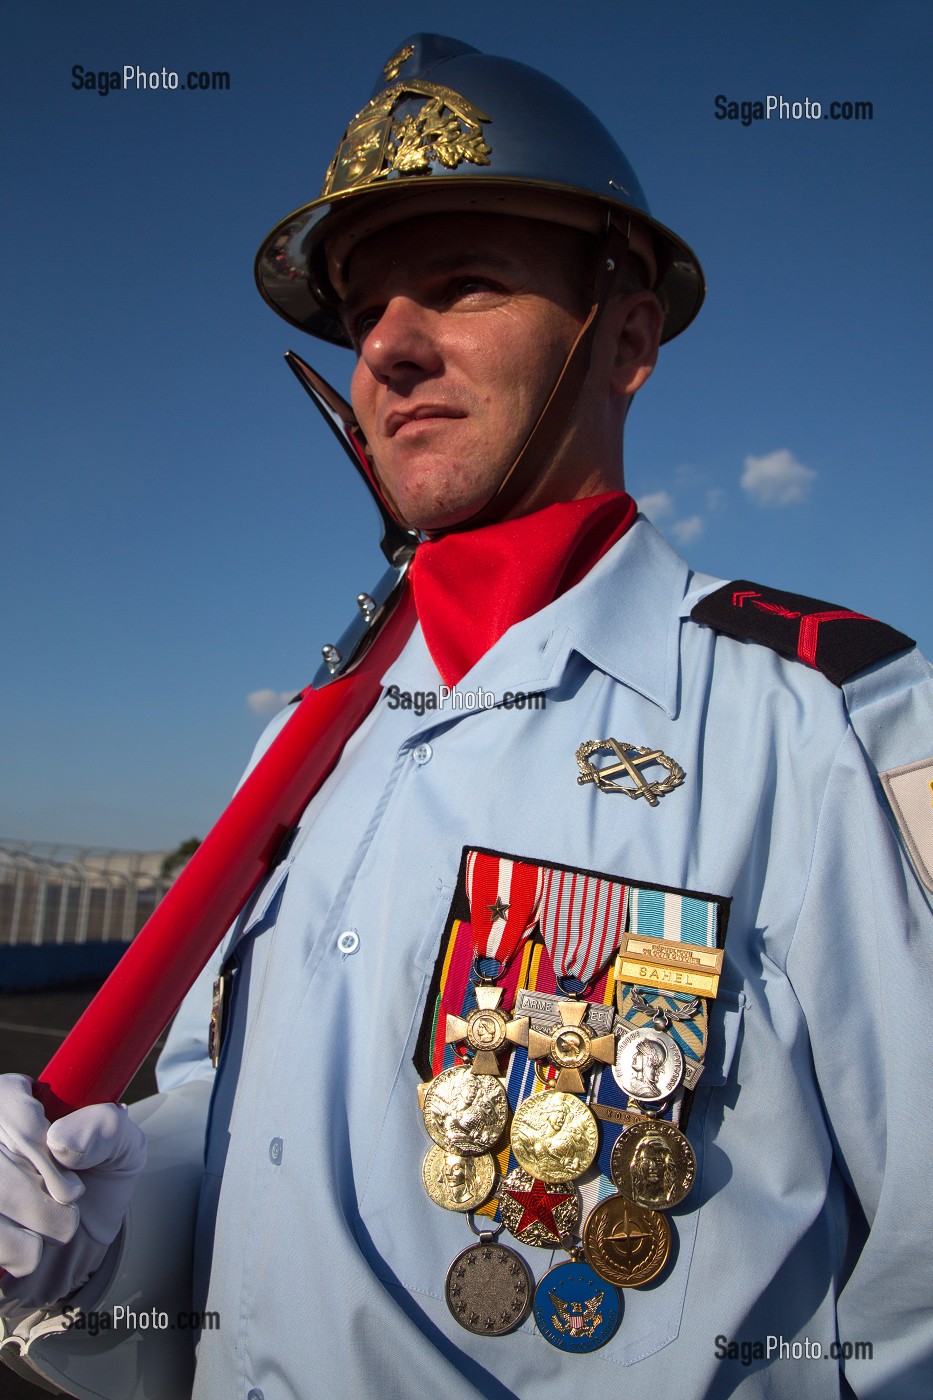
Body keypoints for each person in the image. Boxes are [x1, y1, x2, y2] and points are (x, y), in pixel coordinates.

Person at [1, 31, 932, 1400]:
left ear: (624, 340)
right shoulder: (305, 747)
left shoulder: (835, 723)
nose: (386, 347)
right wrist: (90, 1234)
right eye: (364, 310)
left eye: (462, 285)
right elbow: (232, 1127)